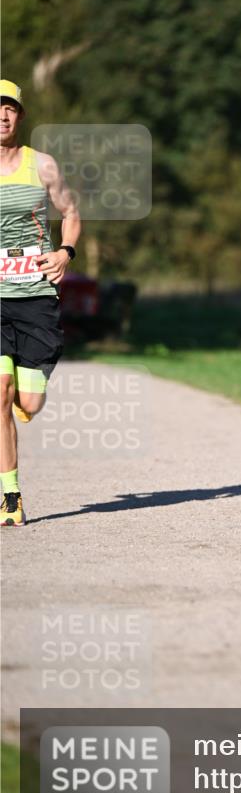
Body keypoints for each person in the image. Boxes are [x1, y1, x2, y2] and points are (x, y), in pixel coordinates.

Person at [0, 80, 81, 526]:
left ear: (20, 116)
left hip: (35, 293)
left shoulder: (43, 165)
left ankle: (22, 398)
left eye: (9, 108)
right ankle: (10, 496)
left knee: (28, 402)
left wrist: (65, 252)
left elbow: (70, 213)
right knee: (0, 391)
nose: (2, 116)